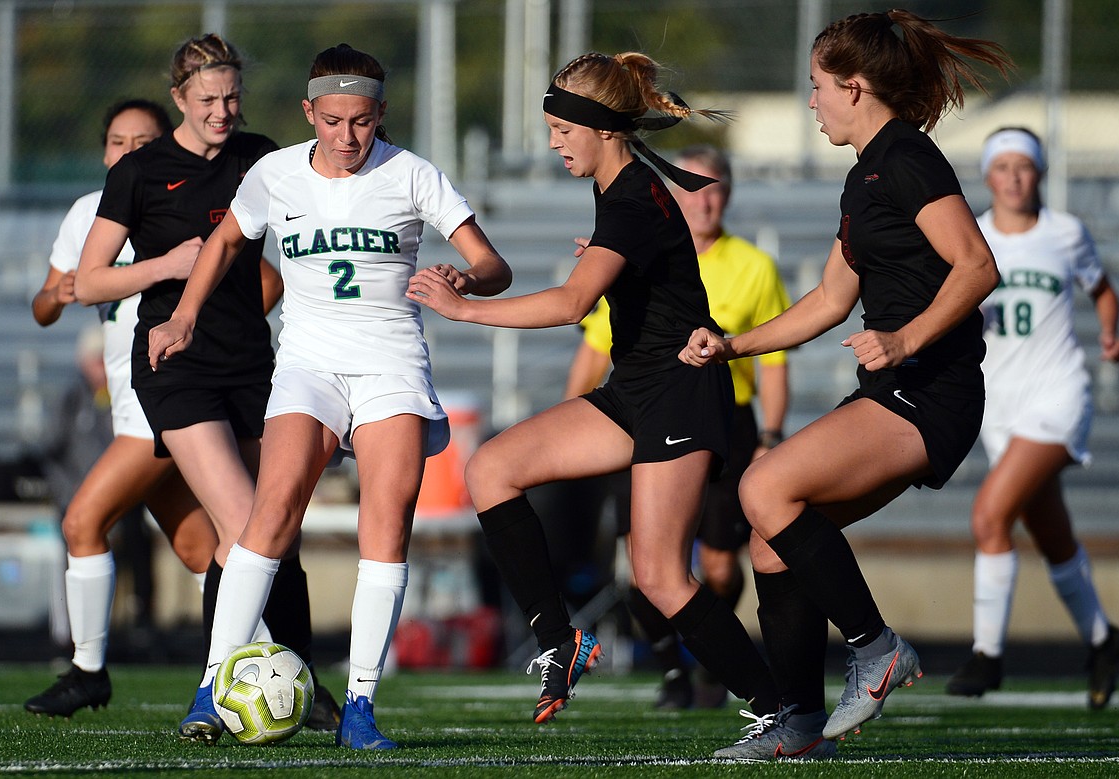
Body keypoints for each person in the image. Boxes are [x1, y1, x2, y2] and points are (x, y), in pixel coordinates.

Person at [408, 50, 809, 759]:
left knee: (659, 574)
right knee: (492, 468)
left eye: (563, 129)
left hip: (682, 395)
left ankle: (785, 713)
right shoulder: (622, 192)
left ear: (601, 129)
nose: (555, 142)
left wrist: (461, 312)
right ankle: (560, 639)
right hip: (638, 390)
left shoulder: (627, 198)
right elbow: (638, 272)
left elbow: (571, 304)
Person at [146, 43, 511, 749]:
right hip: (309, 364)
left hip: (391, 366)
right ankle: (213, 683)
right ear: (309, 111)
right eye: (335, 119)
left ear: (382, 115)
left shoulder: (411, 174)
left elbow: (492, 262)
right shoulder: (275, 172)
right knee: (273, 511)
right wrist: (185, 314)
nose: (348, 137)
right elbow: (224, 243)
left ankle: (362, 705)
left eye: (364, 121)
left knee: (387, 522)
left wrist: (465, 280)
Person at [680, 9, 1010, 756]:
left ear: (854, 88)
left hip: (932, 390)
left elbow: (978, 265)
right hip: (900, 387)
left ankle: (877, 646)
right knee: (771, 543)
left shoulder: (905, 158)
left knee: (761, 489)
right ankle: (799, 727)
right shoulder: (865, 175)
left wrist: (904, 337)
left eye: (817, 86)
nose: (811, 101)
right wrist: (733, 344)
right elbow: (830, 301)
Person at [72, 34, 337, 737]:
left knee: (279, 530)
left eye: (232, 97)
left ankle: (302, 678)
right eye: (208, 99)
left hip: (254, 364)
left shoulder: (262, 156)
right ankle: (214, 685)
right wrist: (167, 265)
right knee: (247, 520)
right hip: (174, 364)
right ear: (179, 99)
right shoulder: (141, 170)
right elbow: (89, 280)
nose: (223, 111)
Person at [564, 144, 791, 710]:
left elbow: (775, 362)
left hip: (719, 418)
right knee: (644, 564)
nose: (704, 200)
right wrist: (572, 423)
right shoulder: (641, 243)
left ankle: (729, 665)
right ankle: (672, 671)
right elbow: (596, 346)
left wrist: (769, 435)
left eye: (715, 188)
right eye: (693, 187)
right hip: (641, 410)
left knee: (715, 565)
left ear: (730, 195)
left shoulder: (752, 265)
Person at [25, 99, 222, 719]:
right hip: (129, 398)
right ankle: (274, 664)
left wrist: (203, 308)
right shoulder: (90, 211)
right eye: (117, 141)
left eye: (144, 140)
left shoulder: (179, 201)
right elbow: (45, 304)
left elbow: (263, 282)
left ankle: (88, 670)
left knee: (83, 523)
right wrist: (57, 294)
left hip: (165, 392)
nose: (129, 151)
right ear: (104, 150)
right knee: (198, 548)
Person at [945, 127, 1119, 708]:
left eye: (1025, 166)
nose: (1014, 177)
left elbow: (1102, 289)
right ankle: (1104, 639)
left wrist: (1109, 332)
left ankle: (987, 655)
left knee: (989, 516)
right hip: (998, 404)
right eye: (1003, 167)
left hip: (1057, 394)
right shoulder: (968, 234)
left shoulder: (1065, 233)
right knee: (1050, 533)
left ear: (1041, 173)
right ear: (989, 175)